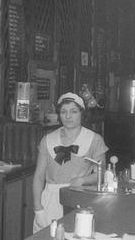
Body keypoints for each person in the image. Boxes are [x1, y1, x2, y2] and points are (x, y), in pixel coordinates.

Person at [32, 91, 107, 230]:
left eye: (73, 111)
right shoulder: (48, 140)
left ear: (81, 113)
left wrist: (83, 180)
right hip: (50, 201)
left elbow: (102, 174)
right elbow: (39, 176)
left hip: (79, 200)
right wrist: (38, 208)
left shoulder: (94, 139)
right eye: (63, 112)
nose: (68, 116)